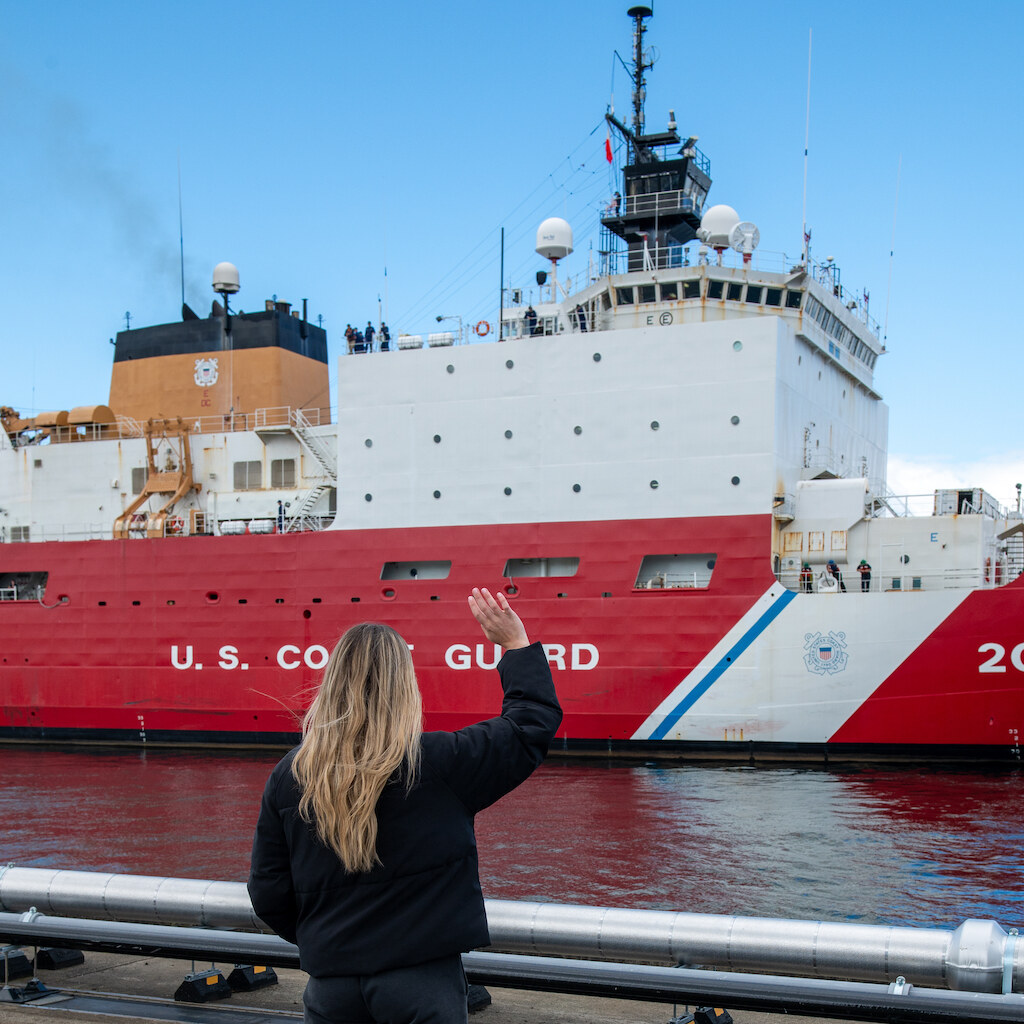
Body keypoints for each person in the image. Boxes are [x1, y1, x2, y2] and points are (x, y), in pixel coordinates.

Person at [248, 588, 561, 1024]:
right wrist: (515, 644)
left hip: (331, 987)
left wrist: (327, 940)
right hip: (422, 986)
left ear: (332, 682)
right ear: (405, 685)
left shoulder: (291, 775)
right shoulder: (440, 763)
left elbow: (267, 892)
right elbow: (529, 726)